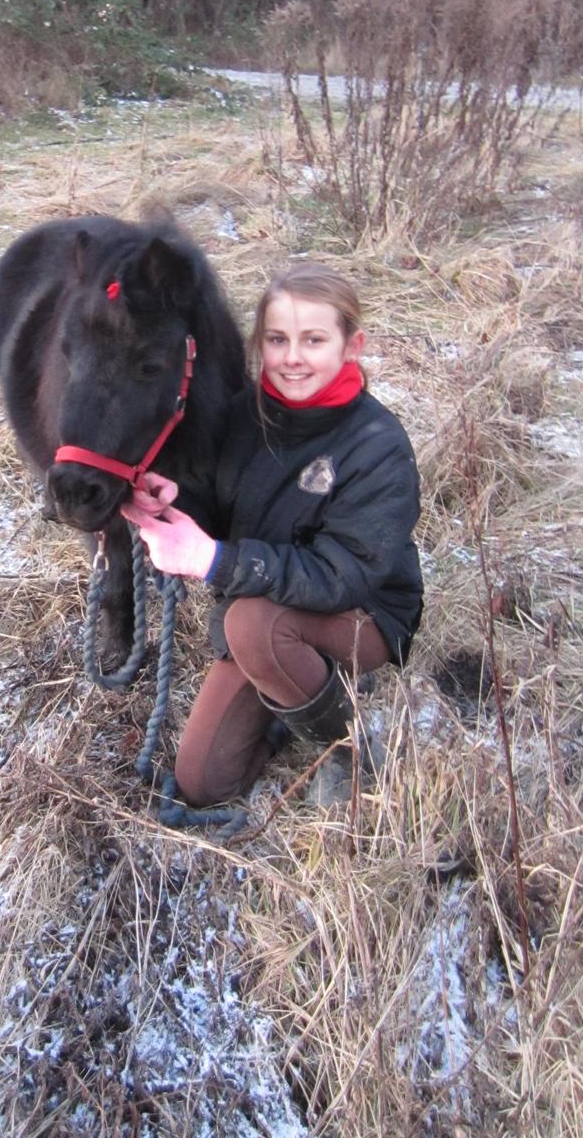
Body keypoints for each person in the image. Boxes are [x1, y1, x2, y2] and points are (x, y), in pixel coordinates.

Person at [121, 263, 423, 808]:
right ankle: (302, 690)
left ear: (352, 345)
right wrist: (173, 501)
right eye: (277, 339)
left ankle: (344, 747)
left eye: (313, 340)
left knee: (253, 624)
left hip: (363, 613)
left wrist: (214, 561)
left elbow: (343, 575)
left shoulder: (378, 444)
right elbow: (213, 507)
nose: (291, 357)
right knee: (203, 783)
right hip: (264, 605)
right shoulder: (241, 415)